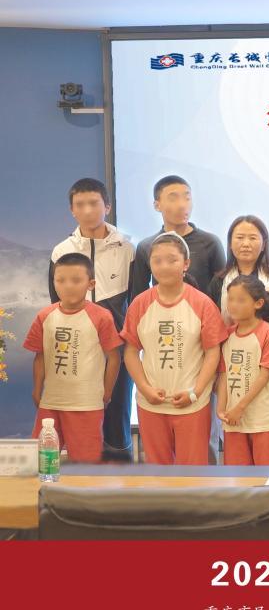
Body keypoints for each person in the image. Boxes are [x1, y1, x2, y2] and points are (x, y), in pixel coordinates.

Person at [121, 232, 228, 464]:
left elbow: (213, 352)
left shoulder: (202, 304)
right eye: (157, 261)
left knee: (193, 473)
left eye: (172, 260)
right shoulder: (140, 304)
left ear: (186, 264)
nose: (164, 266)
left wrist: (195, 392)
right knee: (158, 473)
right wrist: (145, 388)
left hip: (192, 404)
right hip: (151, 404)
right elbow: (130, 351)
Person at [49, 177, 135, 460]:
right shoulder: (61, 251)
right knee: (79, 413)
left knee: (117, 412)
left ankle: (120, 470)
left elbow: (135, 299)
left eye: (94, 203)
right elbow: (55, 303)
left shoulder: (126, 247)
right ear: (72, 210)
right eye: (80, 204)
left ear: (107, 206)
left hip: (117, 346)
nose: (87, 210)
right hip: (76, 347)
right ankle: (81, 472)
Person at [25, 252, 124, 463]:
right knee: (41, 461)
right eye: (60, 280)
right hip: (51, 402)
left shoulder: (101, 316)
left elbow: (114, 358)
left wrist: (106, 392)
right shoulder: (44, 316)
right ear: (53, 282)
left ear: (91, 284)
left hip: (86, 404)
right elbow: (40, 356)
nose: (68, 286)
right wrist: (37, 389)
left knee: (86, 463)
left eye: (76, 280)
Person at [208, 215, 269, 460]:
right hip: (232, 356)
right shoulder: (219, 280)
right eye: (240, 237)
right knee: (236, 445)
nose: (246, 243)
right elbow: (213, 322)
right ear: (230, 243)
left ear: (264, 243)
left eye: (253, 238)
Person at [216, 276, 269, 465]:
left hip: (261, 418)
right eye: (230, 299)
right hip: (233, 419)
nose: (233, 305)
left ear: (258, 303)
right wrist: (221, 408)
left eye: (240, 300)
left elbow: (264, 376)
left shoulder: (267, 333)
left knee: (267, 473)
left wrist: (240, 407)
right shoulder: (228, 335)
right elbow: (224, 374)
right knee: (238, 475)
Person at [131, 175, 225, 295]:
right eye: (173, 199)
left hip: (202, 307)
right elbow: (139, 296)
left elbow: (223, 293)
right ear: (157, 205)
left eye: (187, 198)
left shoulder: (210, 242)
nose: (182, 205)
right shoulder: (146, 246)